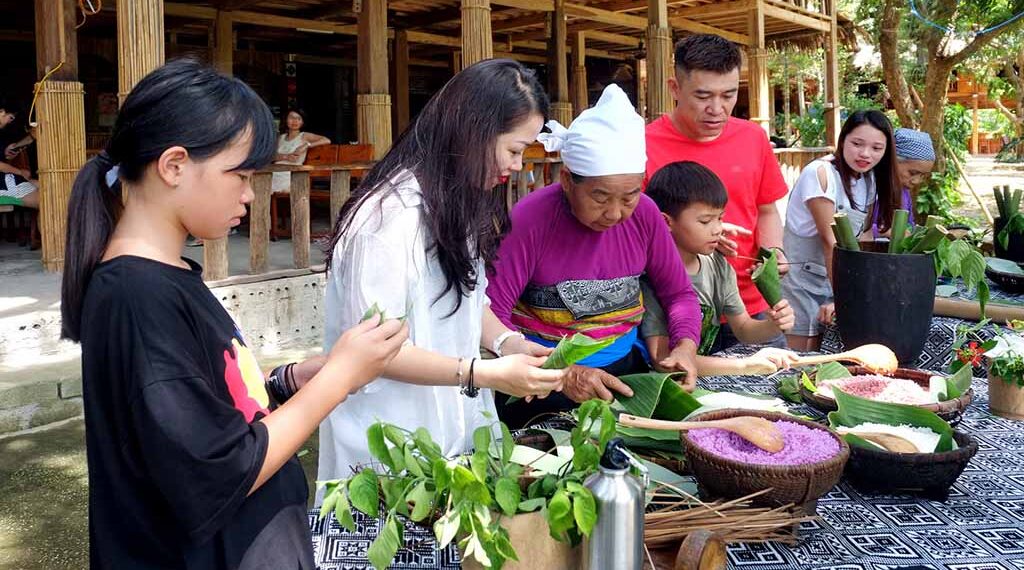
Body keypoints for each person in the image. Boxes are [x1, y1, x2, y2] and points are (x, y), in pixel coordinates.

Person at [60, 59, 408, 569]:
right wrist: (337, 378)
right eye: (240, 174)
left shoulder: (166, 276)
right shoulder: (137, 295)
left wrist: (289, 380)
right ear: (174, 165)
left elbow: (206, 411)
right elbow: (218, 469)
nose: (248, 193)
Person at [319, 59, 566, 479]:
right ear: (473, 132)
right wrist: (482, 372)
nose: (517, 166)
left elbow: (467, 297)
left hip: (451, 425)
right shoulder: (389, 218)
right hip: (388, 439)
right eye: (514, 150)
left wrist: (507, 343)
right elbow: (375, 352)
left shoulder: (458, 202)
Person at [487, 84, 702, 430]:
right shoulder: (531, 219)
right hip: (539, 385)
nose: (616, 213)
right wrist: (561, 374)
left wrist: (685, 346)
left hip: (624, 375)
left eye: (629, 196)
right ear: (569, 180)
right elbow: (492, 315)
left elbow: (678, 294)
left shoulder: (645, 215)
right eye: (600, 197)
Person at [645, 34, 790, 352]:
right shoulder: (643, 145)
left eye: (729, 95)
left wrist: (774, 251)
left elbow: (766, 210)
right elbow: (635, 231)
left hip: (752, 306)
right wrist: (693, 235)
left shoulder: (753, 137)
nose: (717, 109)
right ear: (675, 89)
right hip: (679, 313)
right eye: (703, 96)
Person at [641, 161, 797, 375]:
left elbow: (743, 329)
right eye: (705, 221)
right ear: (666, 222)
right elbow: (664, 360)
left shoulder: (718, 265)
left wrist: (773, 324)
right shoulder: (649, 278)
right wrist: (743, 365)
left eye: (720, 218)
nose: (717, 229)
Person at [781, 110, 901, 350]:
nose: (865, 154)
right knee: (802, 356)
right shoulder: (820, 173)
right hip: (801, 281)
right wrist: (844, 298)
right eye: (857, 143)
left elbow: (863, 237)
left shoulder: (869, 179)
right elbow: (830, 242)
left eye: (877, 148)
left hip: (838, 277)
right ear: (843, 139)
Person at [868, 127, 935, 236]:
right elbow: (852, 226)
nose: (916, 181)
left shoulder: (904, 192)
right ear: (893, 161)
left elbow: (909, 225)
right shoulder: (868, 186)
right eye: (912, 173)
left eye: (923, 175)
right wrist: (883, 231)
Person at [271, 108, 331, 193]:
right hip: (276, 172)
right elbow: (272, 157)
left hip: (292, 174)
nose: (295, 121)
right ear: (286, 120)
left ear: (302, 122)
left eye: (298, 119)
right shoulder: (281, 137)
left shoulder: (304, 136)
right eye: (291, 117)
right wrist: (286, 157)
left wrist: (306, 145)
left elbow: (326, 140)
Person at [0, 98, 38, 209]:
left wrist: (6, 151)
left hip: (7, 178)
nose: (10, 121)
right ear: (1, 111)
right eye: (10, 117)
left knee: (44, 186)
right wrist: (20, 172)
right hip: (3, 183)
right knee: (44, 200)